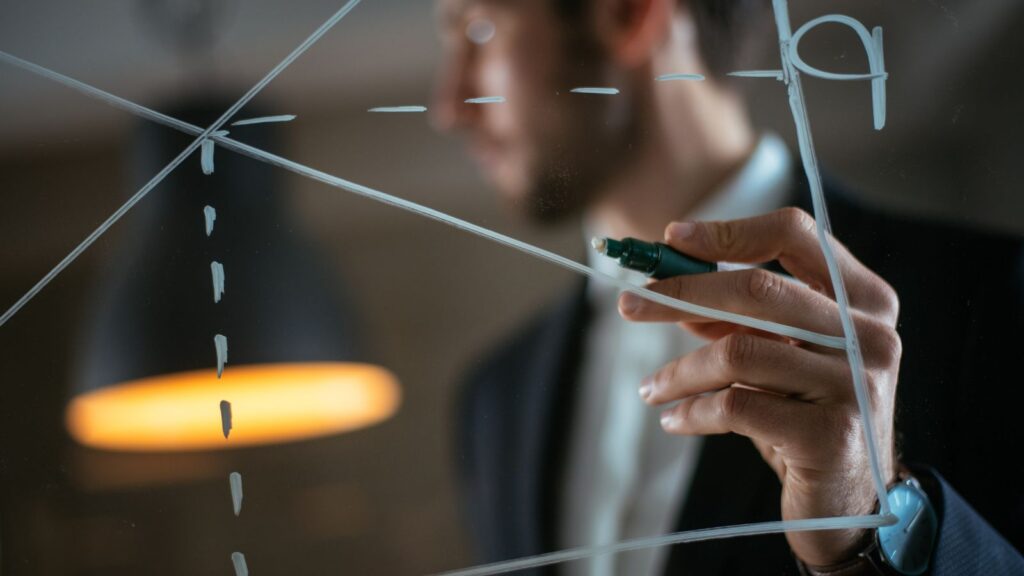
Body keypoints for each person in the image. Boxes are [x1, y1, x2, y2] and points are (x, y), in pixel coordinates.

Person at [431, 0, 1024, 574]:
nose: (448, 106)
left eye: (479, 29)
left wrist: (871, 520)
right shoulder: (492, 403)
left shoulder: (993, 302)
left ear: (628, 12)